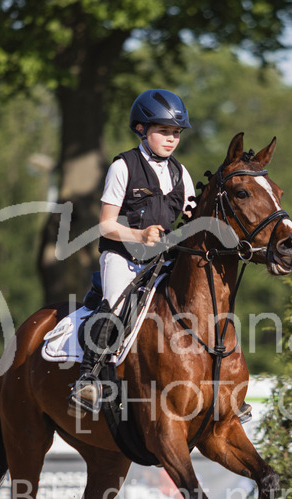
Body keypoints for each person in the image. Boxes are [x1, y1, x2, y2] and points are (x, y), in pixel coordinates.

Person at [68, 88, 197, 418]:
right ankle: (89, 379)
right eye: (164, 131)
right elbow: (106, 225)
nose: (171, 140)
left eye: (176, 133)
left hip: (161, 261)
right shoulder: (123, 167)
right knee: (117, 305)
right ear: (141, 129)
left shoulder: (182, 174)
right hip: (122, 257)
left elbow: (195, 220)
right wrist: (139, 234)